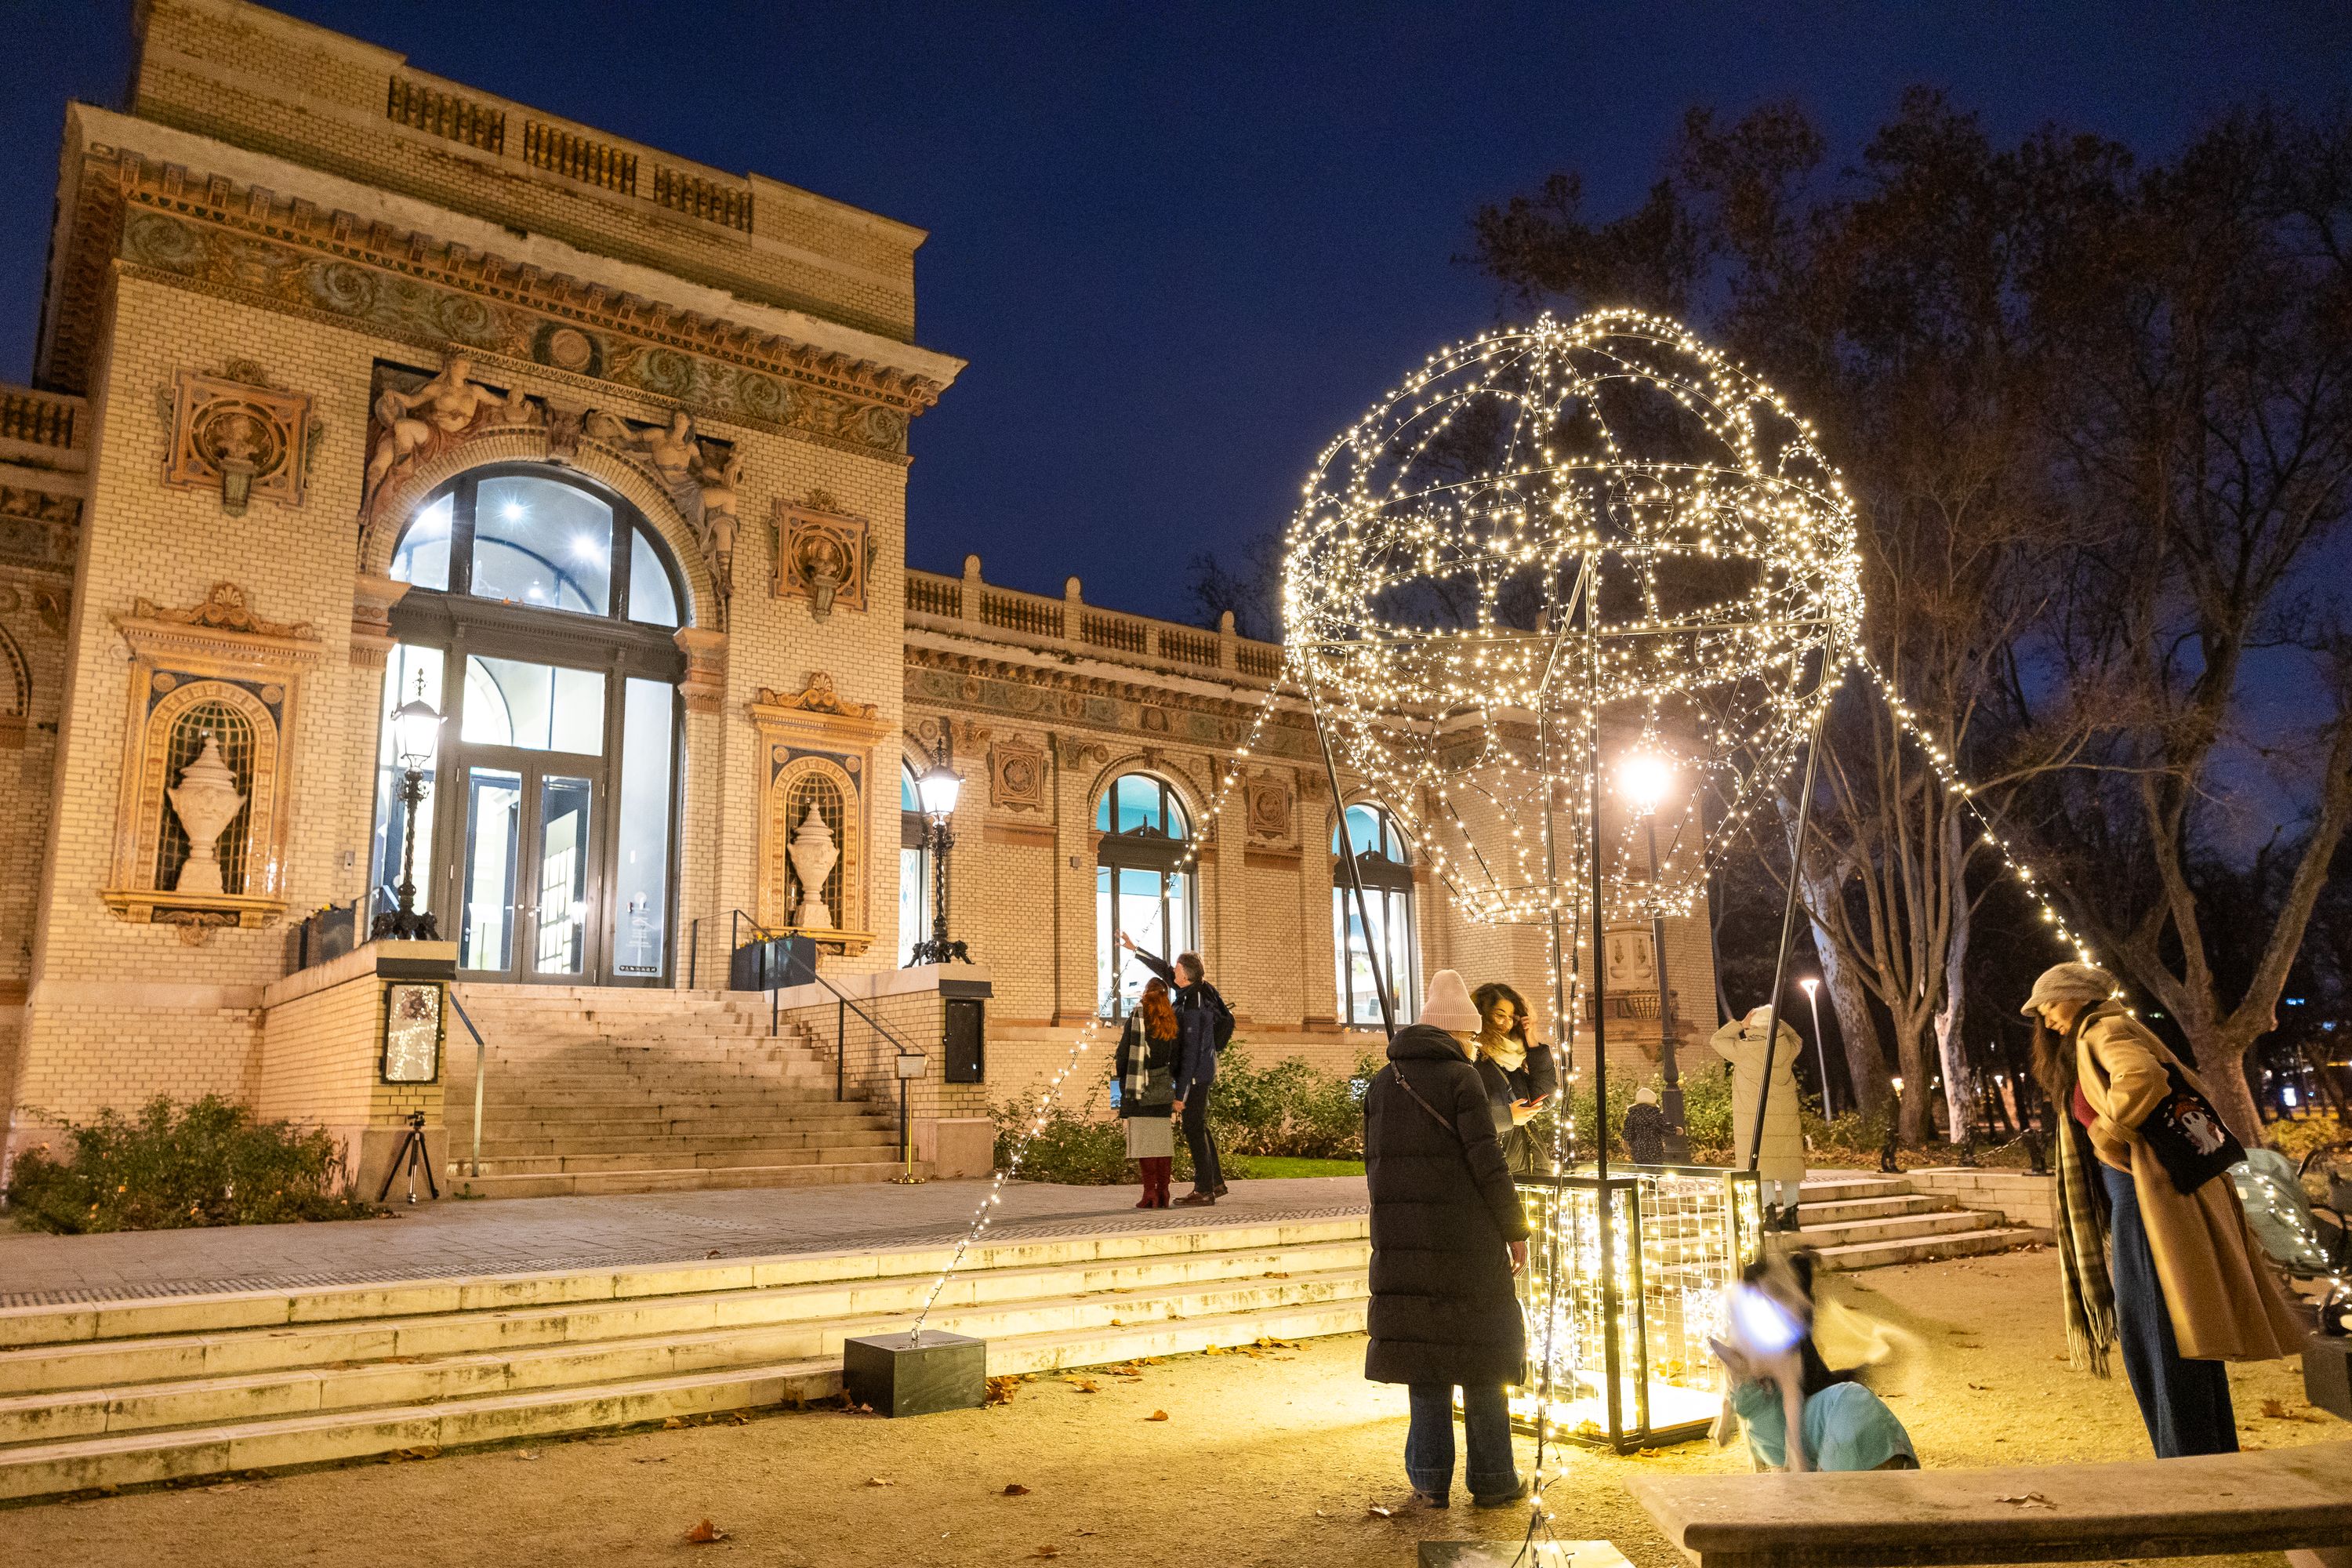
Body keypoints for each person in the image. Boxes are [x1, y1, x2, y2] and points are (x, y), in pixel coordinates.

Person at [2021, 962, 2303, 1458]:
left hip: (2146, 1200)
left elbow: (2141, 1077)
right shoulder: (2102, 1030)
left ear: (2077, 996)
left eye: (2048, 1005)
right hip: (2144, 1196)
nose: (2046, 1021)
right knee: (2170, 1328)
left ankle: (2186, 1463)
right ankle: (2206, 1454)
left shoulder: (2103, 1028)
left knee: (2156, 1329)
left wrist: (2110, 1133)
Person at [1363, 967, 1530, 1510]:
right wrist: (1516, 1230)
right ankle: (1495, 1479)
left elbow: (1375, 1168)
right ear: (1459, 1031)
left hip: (1404, 1242)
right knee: (1483, 1360)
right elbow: (1489, 1165)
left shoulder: (1383, 1085)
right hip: (1467, 1240)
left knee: (1425, 1361)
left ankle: (1430, 1478)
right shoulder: (1464, 1081)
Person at [1711, 1250, 1918, 1472]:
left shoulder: (1783, 1336)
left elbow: (1791, 1395)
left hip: (1816, 1394)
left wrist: (1796, 1454)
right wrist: (1724, 1416)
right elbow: (1737, 1383)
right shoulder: (1746, 1329)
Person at [1120, 932, 1236, 1203]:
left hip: (1196, 1074)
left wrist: (1181, 1094)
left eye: (1177, 967)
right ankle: (1215, 1182)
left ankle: (1204, 1190)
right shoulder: (1191, 990)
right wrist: (1134, 949)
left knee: (1193, 1128)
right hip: (1199, 1071)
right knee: (1199, 1126)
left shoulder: (1195, 1005)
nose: (1173, 971)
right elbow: (1163, 967)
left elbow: (1192, 1053)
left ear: (1185, 972)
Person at [1712, 1006, 1806, 1232]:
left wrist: (1741, 1024)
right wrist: (1776, 1021)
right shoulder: (1787, 1048)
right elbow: (1797, 1038)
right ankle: (1792, 1215)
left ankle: (1770, 1215)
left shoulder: (1745, 1049)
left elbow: (1717, 1040)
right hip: (1785, 1118)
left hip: (1755, 1117)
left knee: (1762, 1165)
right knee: (1788, 1165)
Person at [1468, 982, 1559, 1174]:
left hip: (1531, 1165)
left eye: (1512, 1018)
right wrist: (1507, 1117)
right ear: (1482, 1015)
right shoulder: (1472, 1059)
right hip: (1496, 1169)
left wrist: (1533, 1043)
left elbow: (1546, 1100)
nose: (1507, 1023)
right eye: (1500, 1015)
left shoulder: (1512, 1059)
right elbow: (1462, 1118)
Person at [1115, 978, 1180, 1208]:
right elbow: (1177, 1058)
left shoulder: (1138, 1018)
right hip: (1163, 1089)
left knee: (1146, 1145)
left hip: (1140, 1088)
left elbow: (1124, 1053)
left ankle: (1149, 1193)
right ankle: (1164, 1192)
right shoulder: (1171, 1021)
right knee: (1162, 1144)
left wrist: (1123, 1076)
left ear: (1147, 994)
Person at [1623, 1086, 1668, 1167]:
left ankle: (1643, 1178)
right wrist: (1675, 1129)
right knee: (1656, 1168)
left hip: (1638, 1148)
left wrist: (1625, 1145)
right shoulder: (1657, 1115)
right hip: (1655, 1147)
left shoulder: (1632, 1116)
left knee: (1641, 1168)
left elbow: (1628, 1132)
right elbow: (1664, 1127)